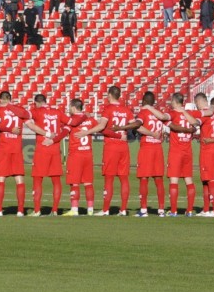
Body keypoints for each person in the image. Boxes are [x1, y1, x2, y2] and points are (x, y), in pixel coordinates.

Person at [24, 94, 70, 216]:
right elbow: (69, 124)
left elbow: (25, 115)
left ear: (36, 103)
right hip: (55, 148)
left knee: (37, 180)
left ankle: (37, 210)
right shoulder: (57, 112)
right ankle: (54, 210)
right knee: (56, 181)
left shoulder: (37, 111)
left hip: (42, 147)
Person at [97, 86, 138, 216]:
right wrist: (123, 128)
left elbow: (102, 126)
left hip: (111, 146)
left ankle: (105, 210)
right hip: (123, 146)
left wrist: (89, 131)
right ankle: (123, 209)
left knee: (109, 178)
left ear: (109, 95)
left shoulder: (108, 109)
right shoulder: (126, 110)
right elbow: (135, 124)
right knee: (124, 178)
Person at [63, 99, 103, 216]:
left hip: (76, 154)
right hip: (88, 154)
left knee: (74, 183)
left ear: (74, 108)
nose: (69, 109)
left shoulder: (73, 120)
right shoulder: (90, 119)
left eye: (70, 107)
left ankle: (74, 210)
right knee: (88, 182)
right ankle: (90, 210)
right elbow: (100, 127)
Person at [134, 92, 169, 217]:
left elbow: (138, 127)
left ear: (143, 101)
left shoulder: (143, 113)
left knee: (144, 178)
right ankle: (161, 210)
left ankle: (143, 210)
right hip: (158, 149)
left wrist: (150, 133)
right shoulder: (158, 114)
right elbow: (167, 124)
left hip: (147, 148)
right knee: (158, 179)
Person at [165, 93, 200, 216]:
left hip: (176, 151)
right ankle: (189, 210)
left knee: (173, 181)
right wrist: (192, 129)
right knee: (189, 180)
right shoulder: (189, 113)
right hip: (187, 151)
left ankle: (174, 211)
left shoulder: (173, 113)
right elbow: (196, 124)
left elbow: (170, 124)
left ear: (174, 101)